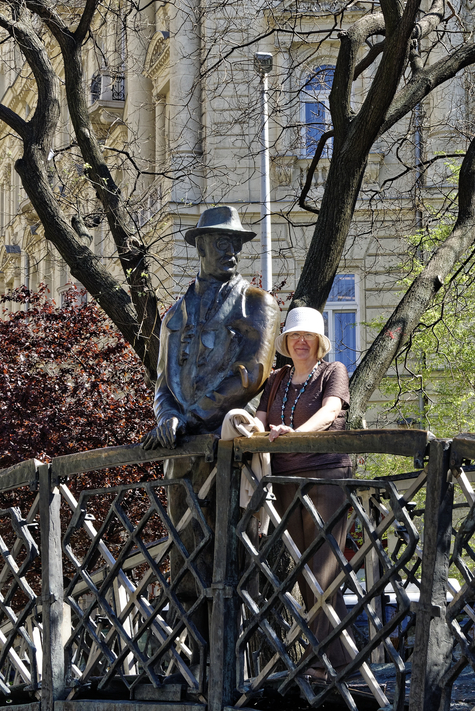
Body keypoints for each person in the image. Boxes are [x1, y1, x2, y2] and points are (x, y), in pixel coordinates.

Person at [141, 205, 280, 608]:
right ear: (200, 246)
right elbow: (162, 382)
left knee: (234, 562)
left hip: (228, 447)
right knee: (185, 561)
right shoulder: (174, 313)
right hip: (181, 453)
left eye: (235, 243)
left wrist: (190, 417)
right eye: (221, 242)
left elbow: (251, 374)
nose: (230, 251)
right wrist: (167, 416)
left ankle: (237, 645)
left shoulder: (256, 303)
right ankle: (191, 644)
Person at [256, 306, 354, 677]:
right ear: (286, 341)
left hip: (326, 474)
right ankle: (337, 661)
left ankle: (328, 662)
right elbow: (259, 421)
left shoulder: (333, 371)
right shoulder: (276, 379)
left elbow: (330, 413)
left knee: (323, 569)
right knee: (303, 571)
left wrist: (295, 434)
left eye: (308, 335)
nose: (301, 341)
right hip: (285, 478)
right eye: (295, 335)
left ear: (318, 342)